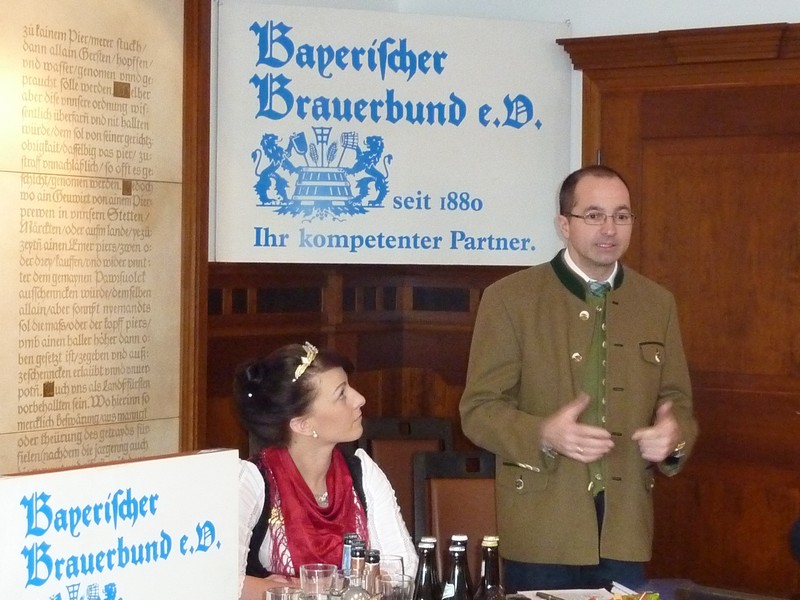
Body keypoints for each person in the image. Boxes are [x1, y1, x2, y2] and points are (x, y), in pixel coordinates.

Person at [460, 165, 699, 592]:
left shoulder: (656, 302)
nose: (609, 229)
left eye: (621, 216)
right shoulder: (510, 298)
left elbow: (677, 400)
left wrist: (674, 435)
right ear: (564, 225)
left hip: (625, 526)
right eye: (594, 215)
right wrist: (544, 433)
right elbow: (478, 410)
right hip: (541, 525)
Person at [235, 342, 417, 600]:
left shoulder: (362, 471)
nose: (359, 399)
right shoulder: (253, 480)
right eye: (342, 394)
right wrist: (344, 588)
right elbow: (225, 582)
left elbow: (402, 570)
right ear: (303, 424)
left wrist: (292, 587)